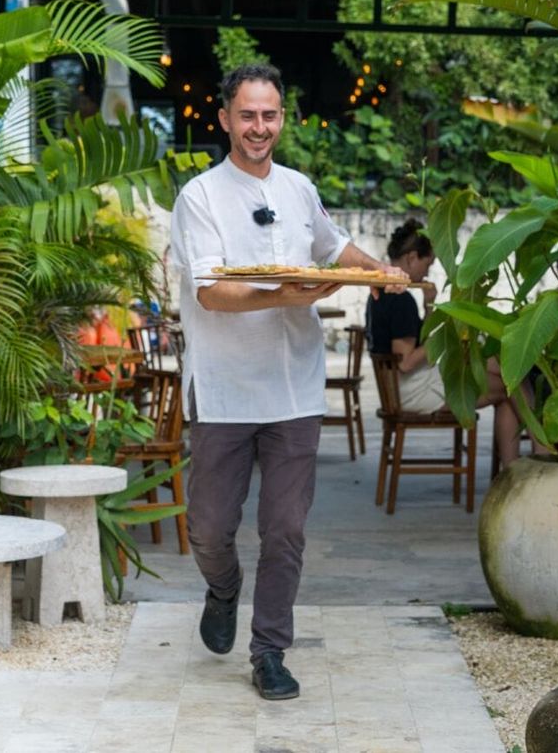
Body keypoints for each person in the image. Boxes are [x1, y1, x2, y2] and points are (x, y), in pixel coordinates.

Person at [170, 63, 406, 701]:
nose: (259, 127)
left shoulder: (300, 188)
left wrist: (380, 270)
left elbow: (335, 249)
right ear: (224, 119)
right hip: (223, 389)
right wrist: (286, 294)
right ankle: (223, 588)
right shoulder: (200, 197)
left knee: (287, 527)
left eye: (269, 115)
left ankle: (269, 649)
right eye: (247, 115)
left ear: (282, 118)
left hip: (295, 391)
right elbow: (214, 294)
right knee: (211, 528)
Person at [365, 218, 541, 466]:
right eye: (428, 263)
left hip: (400, 388)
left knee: (501, 374)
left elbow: (411, 344)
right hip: (413, 390)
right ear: (412, 258)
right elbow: (406, 362)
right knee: (511, 385)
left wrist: (428, 307)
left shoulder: (380, 293)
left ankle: (515, 468)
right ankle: (538, 453)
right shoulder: (400, 298)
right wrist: (450, 334)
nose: (427, 272)